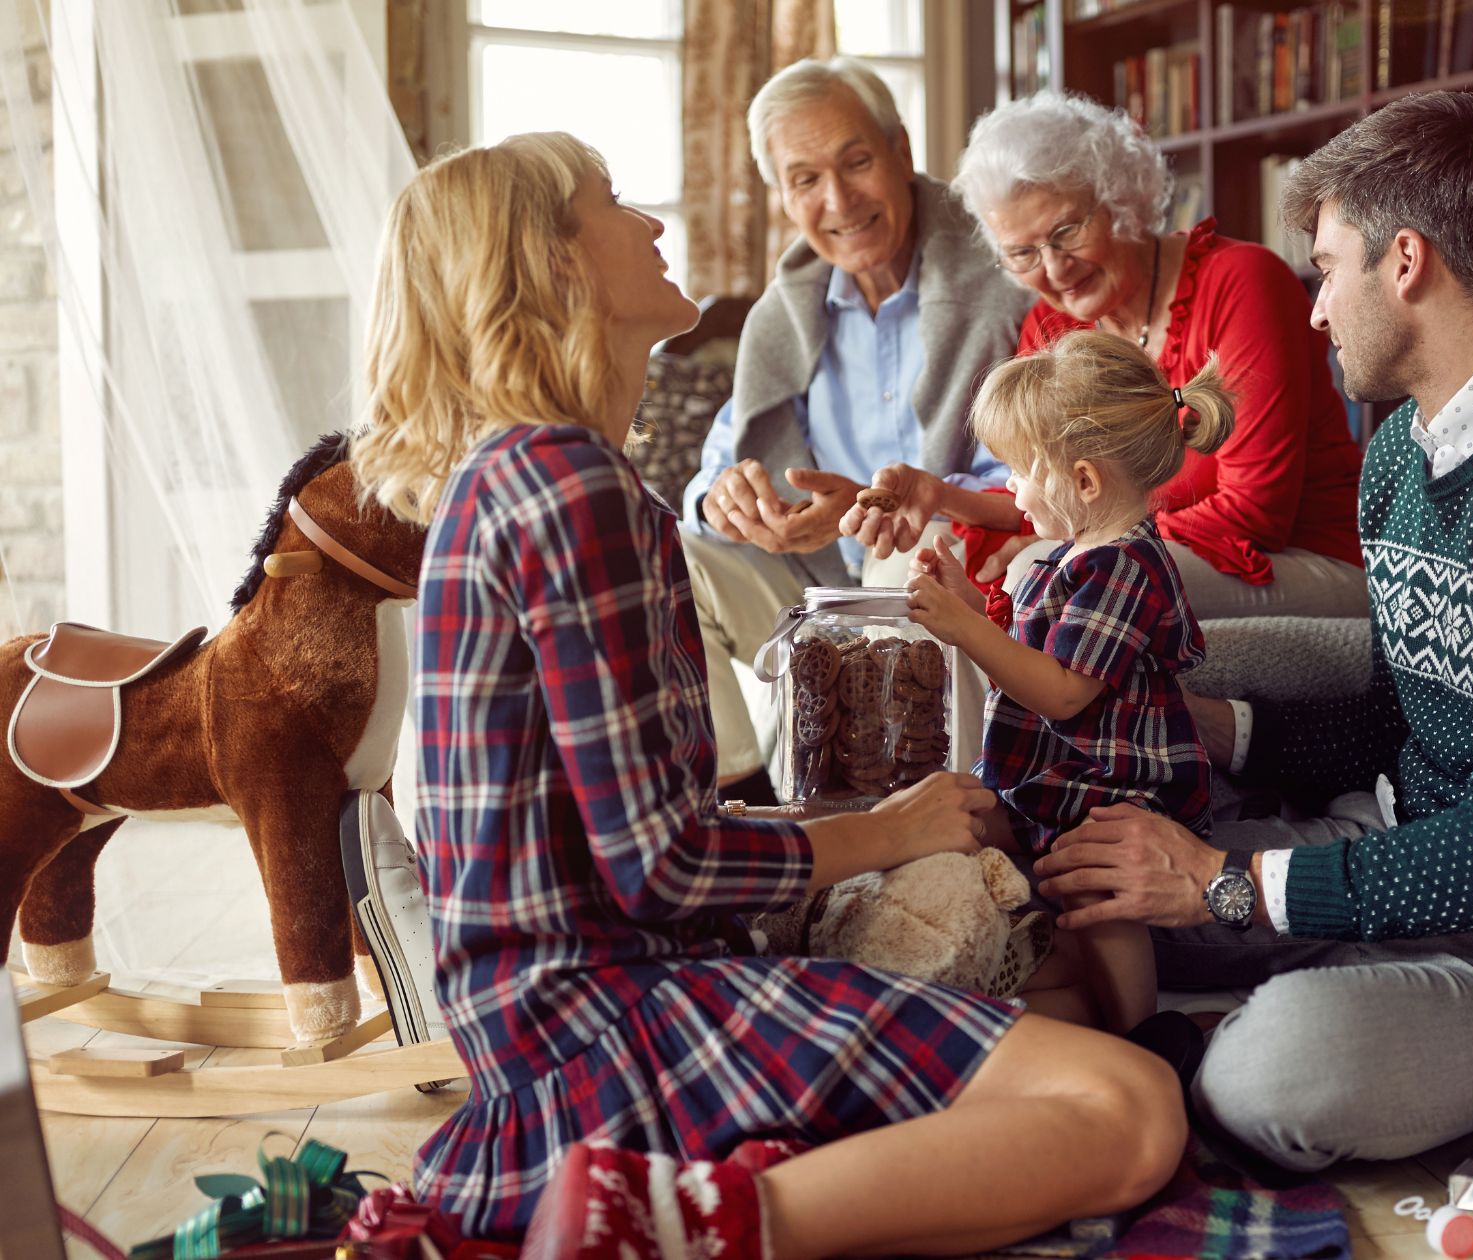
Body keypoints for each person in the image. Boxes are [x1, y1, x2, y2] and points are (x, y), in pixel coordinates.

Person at [349, 131, 1182, 1252]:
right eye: (612, 201)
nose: (650, 222)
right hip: (599, 1033)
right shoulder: (568, 482)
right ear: (550, 265)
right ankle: (672, 1222)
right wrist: (891, 830)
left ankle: (726, 1185)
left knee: (1026, 1037)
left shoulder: (514, 474)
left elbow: (626, 842)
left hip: (547, 1022)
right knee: (1128, 1109)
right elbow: (662, 865)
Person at [1023, 93, 1473, 1173]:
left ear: (1405, 263)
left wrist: (1222, 882)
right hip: (1393, 841)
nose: (1312, 311)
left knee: (1270, 1074)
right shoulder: (1400, 452)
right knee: (1089, 903)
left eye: (1325, 268)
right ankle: (1223, 1024)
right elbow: (1405, 714)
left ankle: (1215, 1049)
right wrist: (1216, 729)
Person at [857, 91, 1366, 621]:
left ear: (1119, 198)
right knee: (921, 563)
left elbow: (1254, 514)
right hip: (1152, 550)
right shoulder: (1054, 326)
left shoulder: (1242, 283)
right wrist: (940, 496)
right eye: (1024, 253)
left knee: (1056, 578)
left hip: (1300, 563)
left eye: (1066, 232)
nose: (1053, 270)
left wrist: (1063, 552)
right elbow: (1051, 493)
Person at [677, 58, 1034, 786]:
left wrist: (876, 510)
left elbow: (1039, 472)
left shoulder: (1002, 278)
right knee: (671, 558)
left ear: (902, 152)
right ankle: (745, 804)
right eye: (805, 179)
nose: (837, 199)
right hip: (811, 592)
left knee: (911, 550)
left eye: (857, 161)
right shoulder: (786, 312)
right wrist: (728, 501)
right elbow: (718, 467)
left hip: (945, 573)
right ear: (782, 196)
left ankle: (923, 814)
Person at [902, 330, 1235, 1036]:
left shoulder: (1124, 565)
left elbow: (1062, 691)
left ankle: (1144, 1034)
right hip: (1054, 773)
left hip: (1108, 785)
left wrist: (969, 633)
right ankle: (1036, 981)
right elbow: (1034, 643)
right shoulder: (1072, 555)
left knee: (1097, 892)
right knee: (960, 821)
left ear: (1084, 481)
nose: (1012, 491)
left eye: (1019, 471)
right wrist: (970, 605)